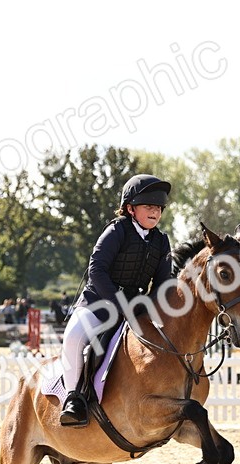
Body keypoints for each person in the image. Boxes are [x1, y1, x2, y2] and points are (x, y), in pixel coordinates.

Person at [60, 174, 174, 427]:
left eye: (158, 208)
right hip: (99, 302)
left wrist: (154, 306)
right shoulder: (116, 231)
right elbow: (96, 270)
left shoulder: (161, 240)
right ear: (131, 208)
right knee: (73, 338)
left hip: (135, 306)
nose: (155, 211)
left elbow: (164, 282)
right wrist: (120, 304)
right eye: (149, 206)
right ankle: (73, 398)